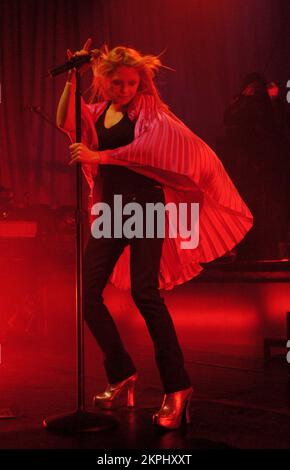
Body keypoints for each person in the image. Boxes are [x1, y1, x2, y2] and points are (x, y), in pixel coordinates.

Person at [56, 39, 253, 429]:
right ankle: (122, 373)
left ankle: (177, 388)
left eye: (132, 83)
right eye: (118, 84)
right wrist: (70, 81)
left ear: (140, 83)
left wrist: (102, 156)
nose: (126, 90)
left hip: (145, 208)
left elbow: (151, 150)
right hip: (112, 211)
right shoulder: (98, 111)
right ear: (103, 81)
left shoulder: (150, 112)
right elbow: (68, 120)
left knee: (145, 294)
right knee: (88, 296)